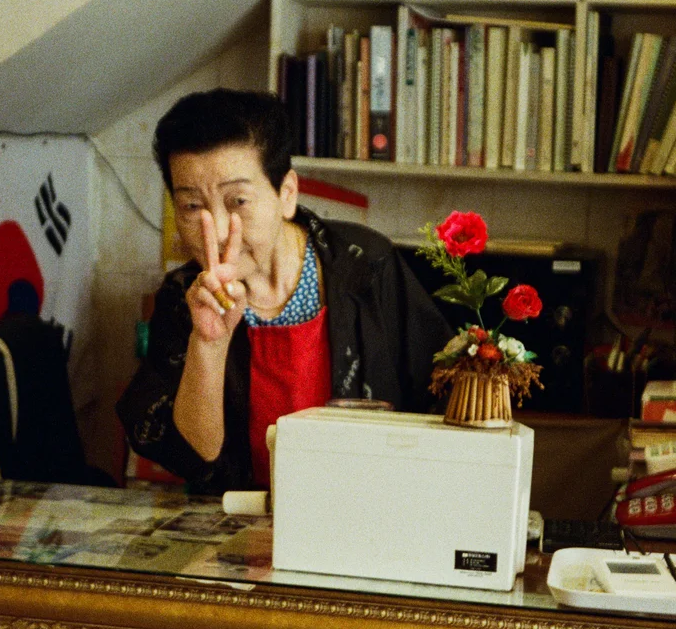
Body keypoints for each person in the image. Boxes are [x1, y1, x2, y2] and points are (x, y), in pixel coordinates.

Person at [117, 89, 452, 494]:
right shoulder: (185, 296)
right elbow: (196, 455)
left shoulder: (365, 266)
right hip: (240, 529)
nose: (218, 229)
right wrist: (209, 344)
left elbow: (444, 399)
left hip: (369, 511)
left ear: (286, 194)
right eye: (191, 206)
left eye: (237, 200)